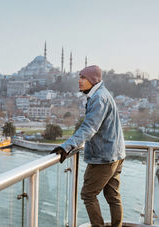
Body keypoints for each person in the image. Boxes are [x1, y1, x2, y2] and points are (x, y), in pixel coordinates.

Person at [51, 65, 126, 227]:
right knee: (113, 196)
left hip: (104, 157)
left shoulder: (99, 98)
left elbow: (90, 127)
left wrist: (67, 146)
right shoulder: (103, 94)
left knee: (88, 195)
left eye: (82, 78)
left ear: (93, 80)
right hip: (117, 154)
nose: (79, 81)